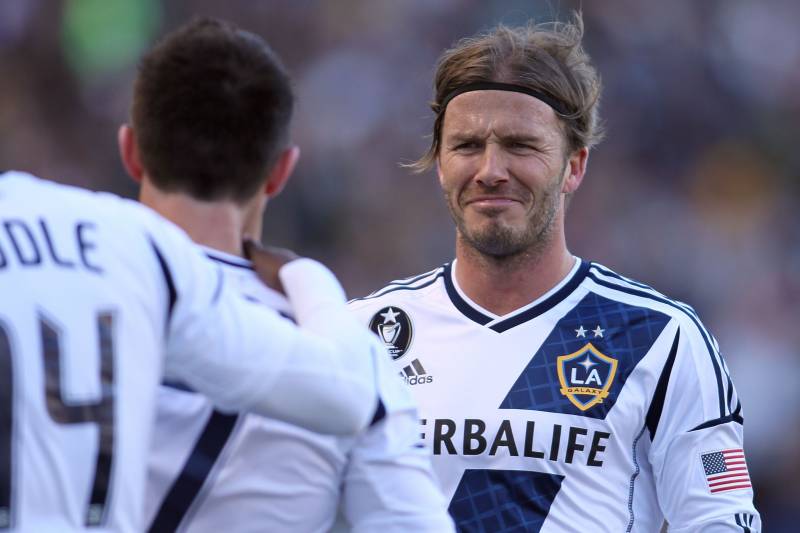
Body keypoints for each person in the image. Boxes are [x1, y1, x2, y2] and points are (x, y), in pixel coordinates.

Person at [348, 14, 761, 532]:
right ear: (439, 163)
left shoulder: (661, 339)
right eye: (467, 145)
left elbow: (721, 519)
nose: (491, 170)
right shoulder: (363, 334)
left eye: (521, 145)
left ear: (575, 166)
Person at [115, 18, 453, 532]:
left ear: (131, 150)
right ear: (281, 170)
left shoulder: (48, 296)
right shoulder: (350, 356)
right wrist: (314, 284)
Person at [0, 164, 390, 532]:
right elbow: (346, 393)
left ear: (132, 152)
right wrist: (309, 277)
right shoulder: (129, 241)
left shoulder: (137, 244)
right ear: (281, 168)